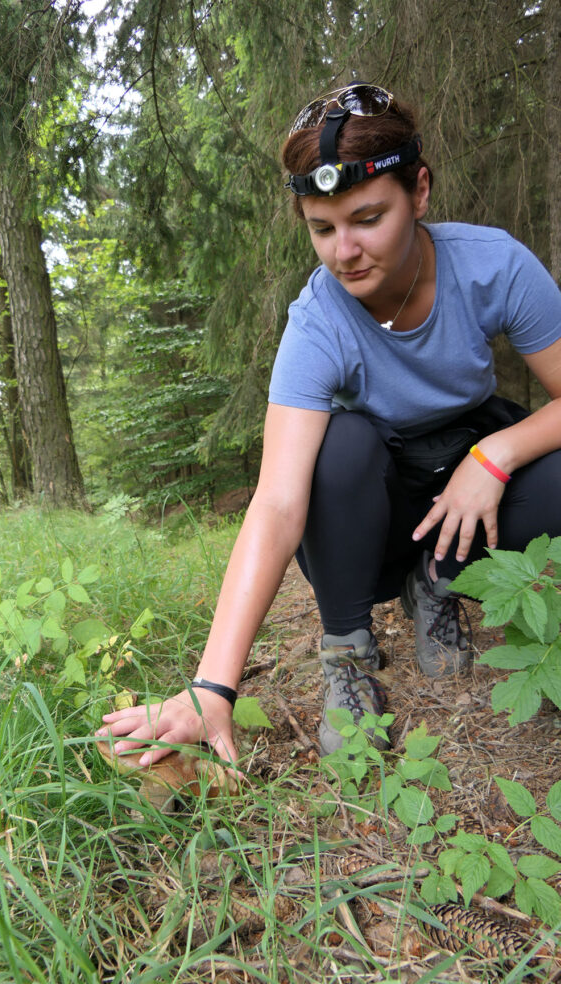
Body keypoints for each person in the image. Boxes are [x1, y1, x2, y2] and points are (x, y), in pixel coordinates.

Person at [98, 82, 561, 764]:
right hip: (370, 513)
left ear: (421, 191)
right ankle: (347, 648)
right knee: (335, 447)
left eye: (368, 218)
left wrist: (494, 456)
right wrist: (210, 686)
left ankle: (442, 580)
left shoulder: (493, 268)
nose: (345, 251)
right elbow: (279, 502)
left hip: (469, 483)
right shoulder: (316, 324)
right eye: (322, 228)